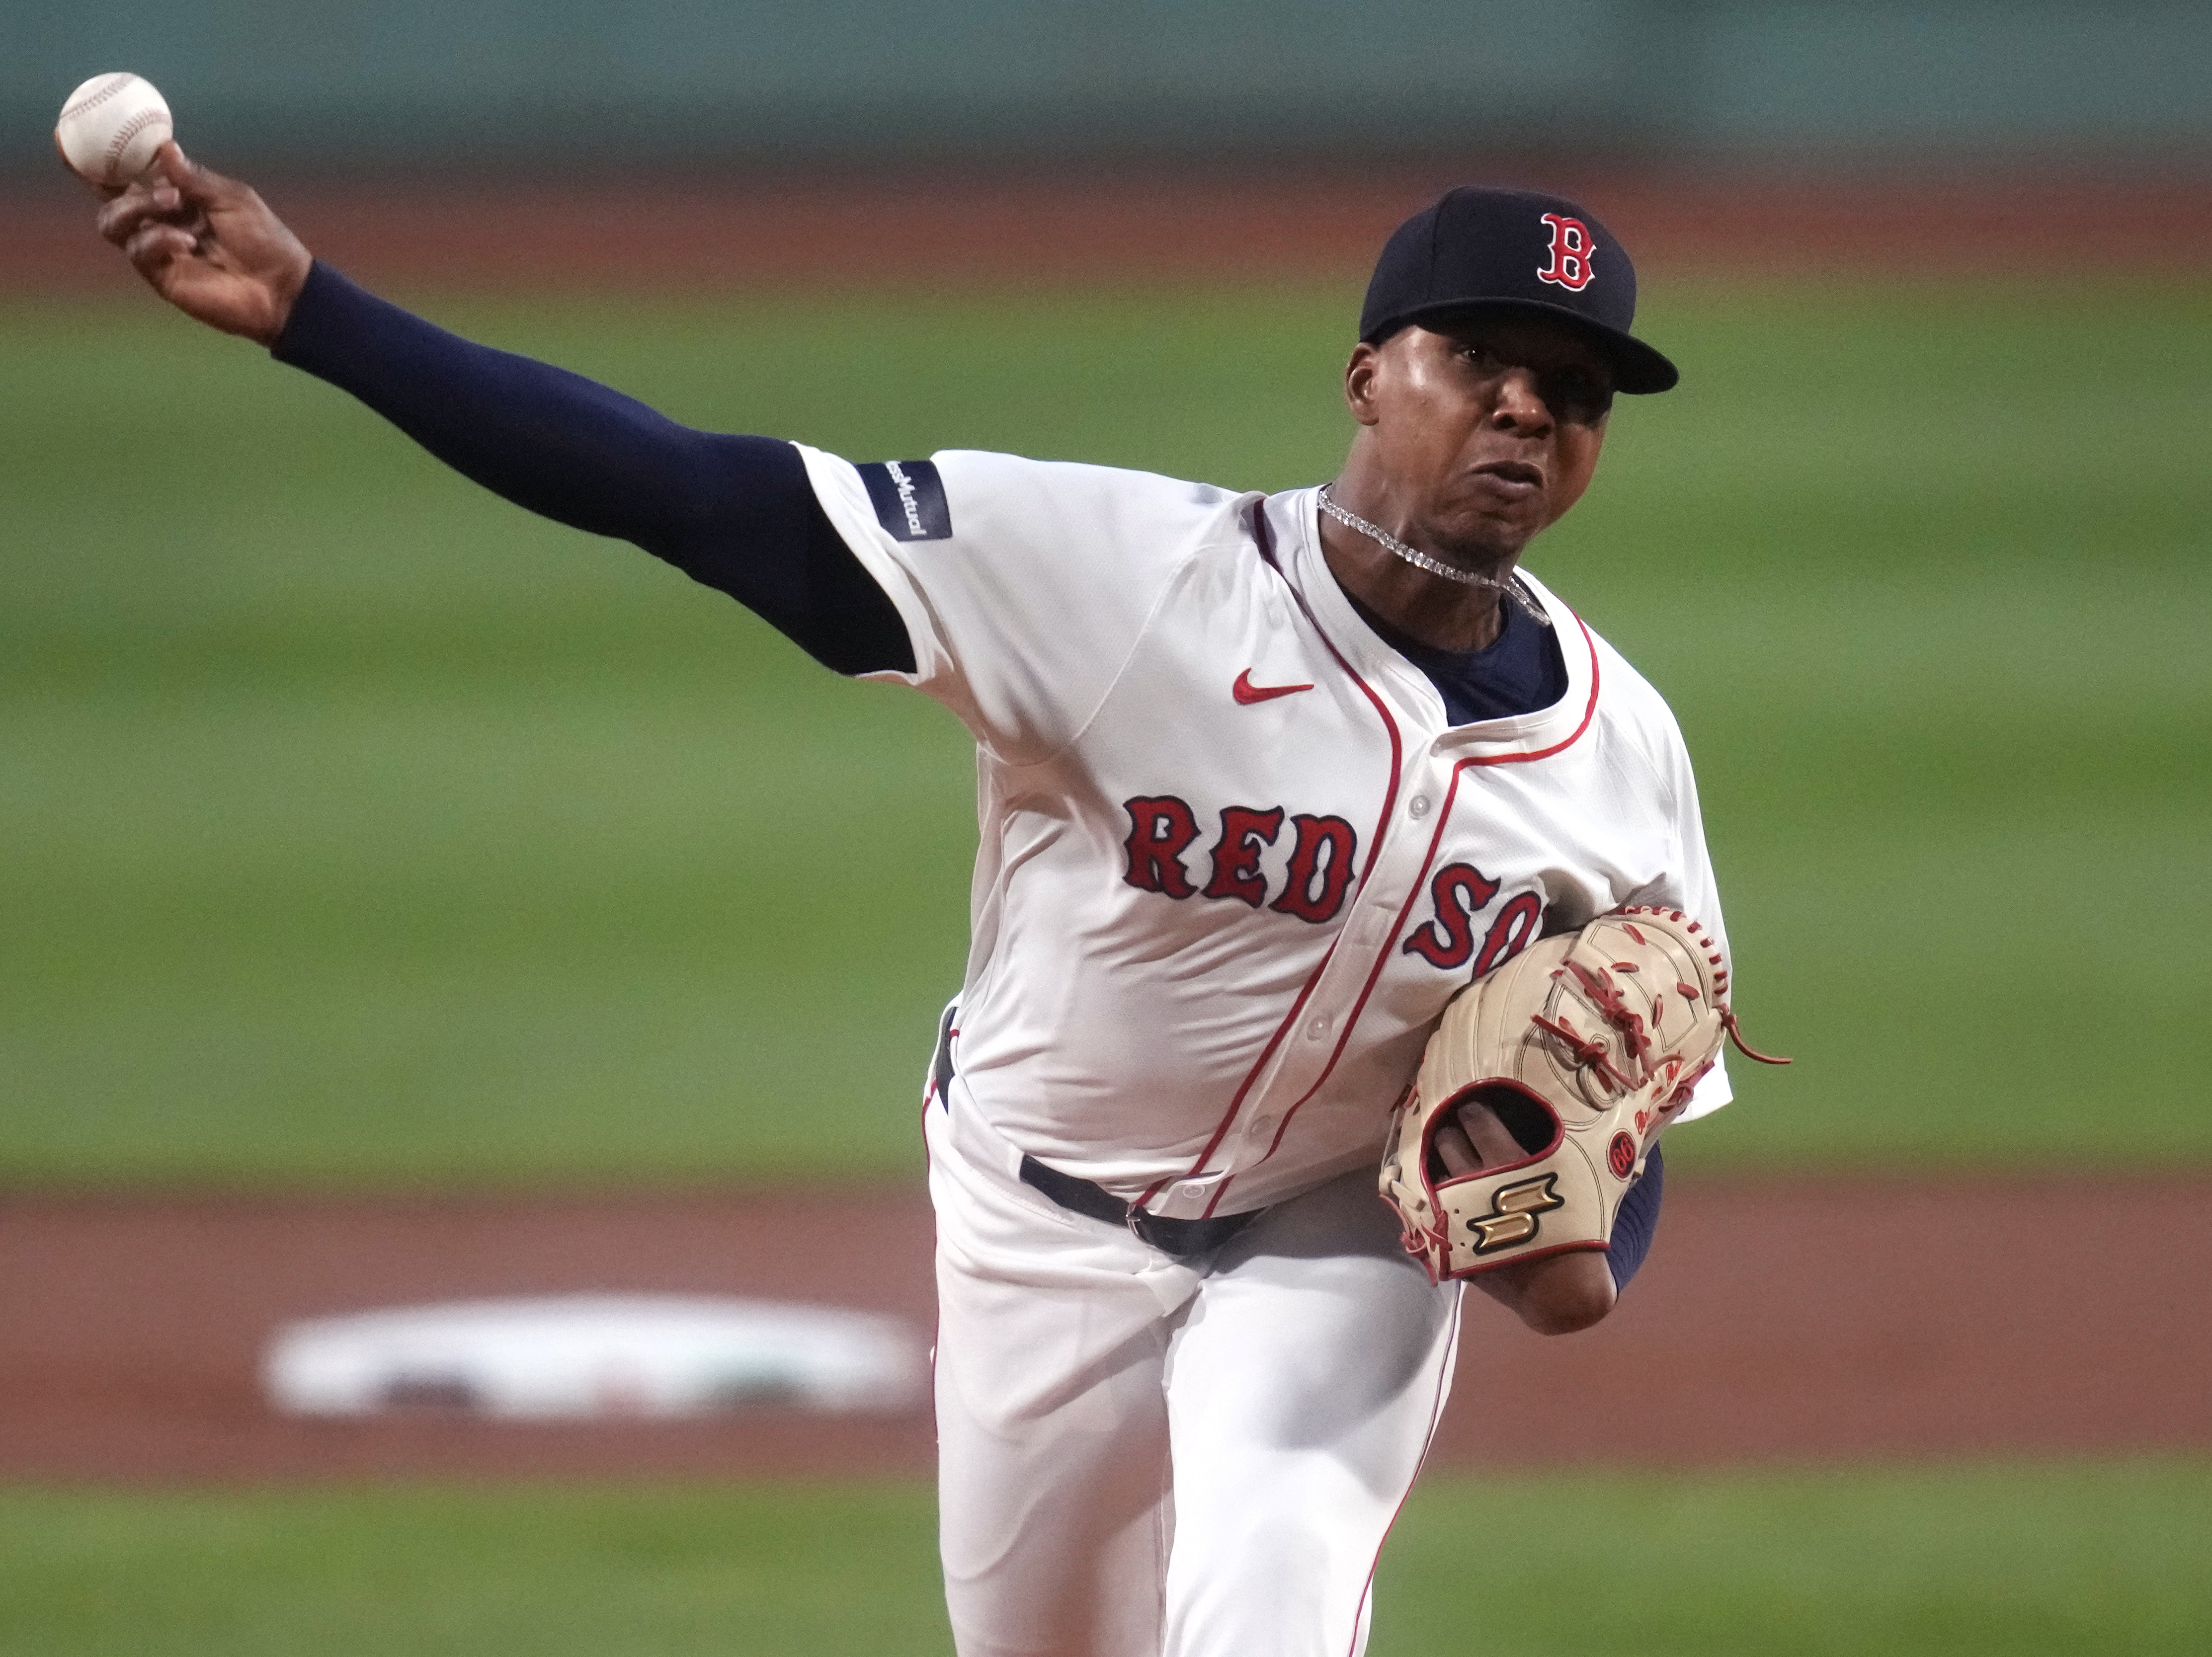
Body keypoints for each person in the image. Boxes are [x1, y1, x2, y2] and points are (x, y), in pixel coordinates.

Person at [93, 153, 1736, 1657]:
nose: (1525, 412)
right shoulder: (1116, 575)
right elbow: (691, 493)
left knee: (1272, 1585)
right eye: (1481, 366)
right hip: (1036, 1210)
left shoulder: (1618, 752)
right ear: (1371, 376)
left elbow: (1635, 1074)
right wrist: (317, 315)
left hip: (1334, 1237)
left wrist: (1591, 1239)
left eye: (1574, 393)